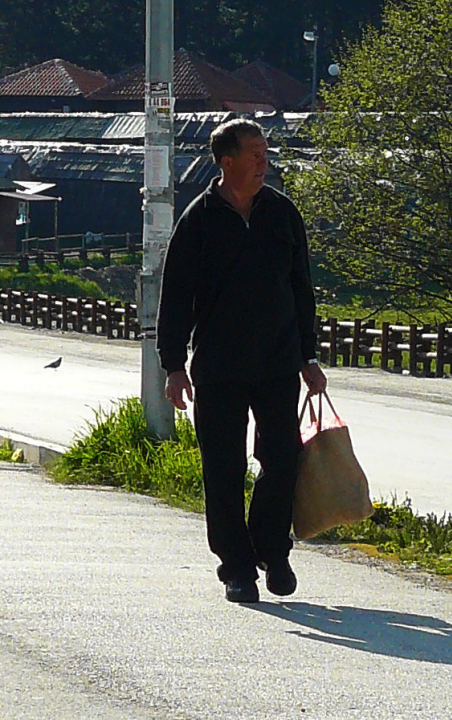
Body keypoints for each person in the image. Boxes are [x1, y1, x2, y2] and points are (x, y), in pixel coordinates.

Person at [157, 118, 327, 604]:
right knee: (223, 468)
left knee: (281, 458)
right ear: (226, 162)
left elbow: (302, 291)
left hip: (277, 361)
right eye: (253, 153)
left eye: (265, 151)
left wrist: (308, 356)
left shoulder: (282, 214)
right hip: (219, 366)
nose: (263, 161)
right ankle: (236, 567)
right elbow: (176, 297)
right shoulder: (199, 220)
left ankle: (273, 550)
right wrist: (173, 365)